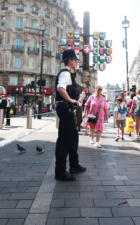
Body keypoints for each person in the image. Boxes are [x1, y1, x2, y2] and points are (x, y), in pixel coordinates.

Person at [55, 49, 86, 181]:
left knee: (73, 137)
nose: (76, 61)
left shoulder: (69, 74)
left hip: (67, 109)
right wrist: (71, 100)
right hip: (65, 108)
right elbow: (60, 88)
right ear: (70, 60)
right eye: (75, 59)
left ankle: (74, 165)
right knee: (64, 140)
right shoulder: (65, 74)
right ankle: (60, 171)